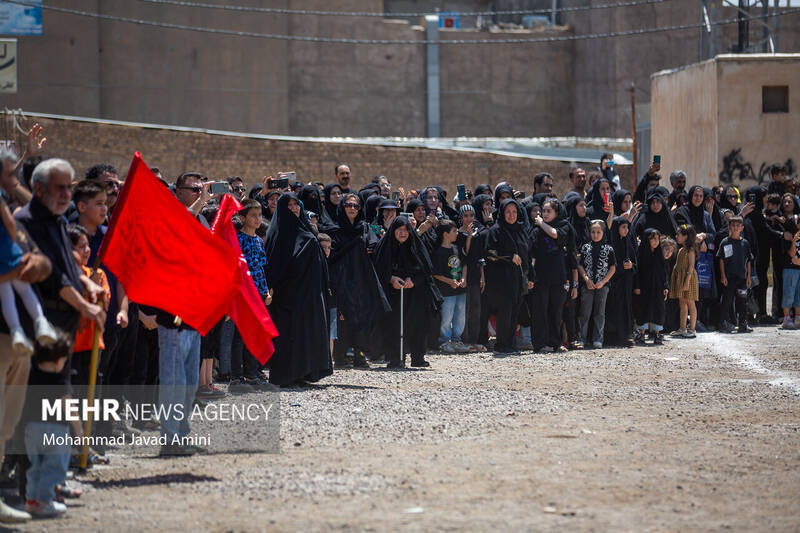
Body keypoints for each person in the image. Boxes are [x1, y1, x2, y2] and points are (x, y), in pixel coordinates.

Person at [263, 193, 333, 386]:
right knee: (288, 335)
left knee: (306, 334)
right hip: (287, 296)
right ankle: (287, 375)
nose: (294, 208)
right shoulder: (278, 233)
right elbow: (274, 264)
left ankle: (305, 373)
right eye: (290, 205)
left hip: (310, 295)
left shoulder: (306, 229)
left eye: (296, 204)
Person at [328, 193, 390, 369]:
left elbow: (374, 245)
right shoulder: (335, 229)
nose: (352, 208)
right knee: (343, 317)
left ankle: (359, 354)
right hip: (341, 278)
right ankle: (340, 356)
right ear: (342, 207)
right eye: (348, 205)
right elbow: (332, 253)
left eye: (356, 206)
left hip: (361, 277)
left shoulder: (364, 227)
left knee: (362, 315)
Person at [20, 332, 77, 518]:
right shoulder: (60, 380)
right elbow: (69, 408)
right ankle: (45, 502)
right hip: (56, 431)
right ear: (60, 360)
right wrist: (79, 430)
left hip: (31, 430)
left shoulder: (30, 376)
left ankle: (31, 501)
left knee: (35, 468)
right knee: (53, 468)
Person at [373, 216, 442, 368]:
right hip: (393, 294)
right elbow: (378, 268)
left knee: (418, 325)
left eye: (406, 230)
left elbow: (426, 268)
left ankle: (418, 357)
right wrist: (391, 279)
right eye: (399, 230)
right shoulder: (385, 246)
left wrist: (413, 280)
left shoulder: (416, 245)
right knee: (394, 325)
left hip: (415, 294)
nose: (403, 233)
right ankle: (396, 358)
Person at [0, 194, 57, 355]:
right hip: (8, 252)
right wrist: (12, 247)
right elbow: (10, 223)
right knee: (25, 290)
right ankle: (41, 322)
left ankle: (16, 331)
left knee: (6, 296)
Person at [228, 199, 272, 393]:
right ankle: (236, 377)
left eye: (259, 215)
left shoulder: (258, 240)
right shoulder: (238, 239)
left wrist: (266, 291)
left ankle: (252, 373)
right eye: (253, 215)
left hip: (259, 294)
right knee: (239, 337)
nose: (257, 219)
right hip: (244, 293)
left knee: (255, 335)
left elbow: (262, 267)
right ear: (242, 217)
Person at [530, 199, 569, 353]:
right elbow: (532, 254)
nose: (544, 214)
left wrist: (541, 223)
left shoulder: (563, 226)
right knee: (541, 311)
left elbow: (555, 234)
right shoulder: (536, 230)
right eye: (543, 211)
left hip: (558, 277)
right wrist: (531, 276)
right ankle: (540, 343)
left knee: (556, 312)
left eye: (548, 211)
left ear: (556, 213)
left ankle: (555, 343)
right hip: (541, 277)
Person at [577, 220, 616, 348]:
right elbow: (580, 265)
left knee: (599, 313)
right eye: (593, 232)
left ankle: (598, 339)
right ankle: (581, 338)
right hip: (587, 285)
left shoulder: (608, 249)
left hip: (602, 286)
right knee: (584, 312)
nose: (595, 234)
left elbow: (612, 268)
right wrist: (586, 279)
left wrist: (603, 282)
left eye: (598, 232)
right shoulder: (585, 248)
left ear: (603, 232)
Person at [432, 220, 469, 353]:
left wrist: (463, 278)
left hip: (460, 290)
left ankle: (456, 340)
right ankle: (445, 341)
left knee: (460, 316)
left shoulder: (456, 248)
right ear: (445, 234)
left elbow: (464, 264)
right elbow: (436, 274)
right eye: (454, 231)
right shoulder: (438, 252)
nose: (457, 233)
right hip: (446, 291)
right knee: (446, 317)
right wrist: (450, 282)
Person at [717, 216, 753, 334]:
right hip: (729, 278)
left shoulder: (745, 243)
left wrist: (748, 277)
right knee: (727, 301)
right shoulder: (725, 242)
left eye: (738, 226)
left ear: (742, 228)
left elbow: (749, 260)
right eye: (733, 225)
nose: (735, 228)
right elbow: (721, 259)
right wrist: (723, 276)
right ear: (729, 227)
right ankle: (723, 323)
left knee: (743, 302)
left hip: (742, 278)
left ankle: (743, 324)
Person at [633, 229, 669, 345]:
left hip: (658, 288)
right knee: (643, 309)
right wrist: (637, 286)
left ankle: (657, 334)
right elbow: (637, 271)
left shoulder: (659, 254)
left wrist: (665, 286)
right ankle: (641, 334)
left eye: (657, 239)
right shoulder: (641, 254)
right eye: (653, 239)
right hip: (644, 288)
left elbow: (664, 272)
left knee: (658, 310)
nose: (656, 241)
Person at [605, 216, 636, 347]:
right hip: (614, 283)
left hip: (626, 283)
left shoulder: (628, 242)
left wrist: (631, 266)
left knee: (626, 309)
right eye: (623, 227)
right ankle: (612, 337)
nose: (626, 230)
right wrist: (621, 268)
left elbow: (635, 260)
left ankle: (626, 335)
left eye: (627, 227)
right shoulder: (611, 244)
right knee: (614, 309)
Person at [669, 224, 699, 338]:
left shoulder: (690, 250)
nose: (676, 236)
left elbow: (691, 266)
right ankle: (682, 328)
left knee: (690, 303)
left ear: (686, 236)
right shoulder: (681, 249)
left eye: (679, 234)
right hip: (681, 279)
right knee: (682, 303)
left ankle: (692, 329)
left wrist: (686, 281)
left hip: (688, 279)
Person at [780, 229, 800, 329]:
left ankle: (798, 317)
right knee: (789, 293)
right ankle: (786, 318)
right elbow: (791, 254)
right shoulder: (790, 236)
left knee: (798, 294)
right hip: (791, 268)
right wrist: (794, 241)